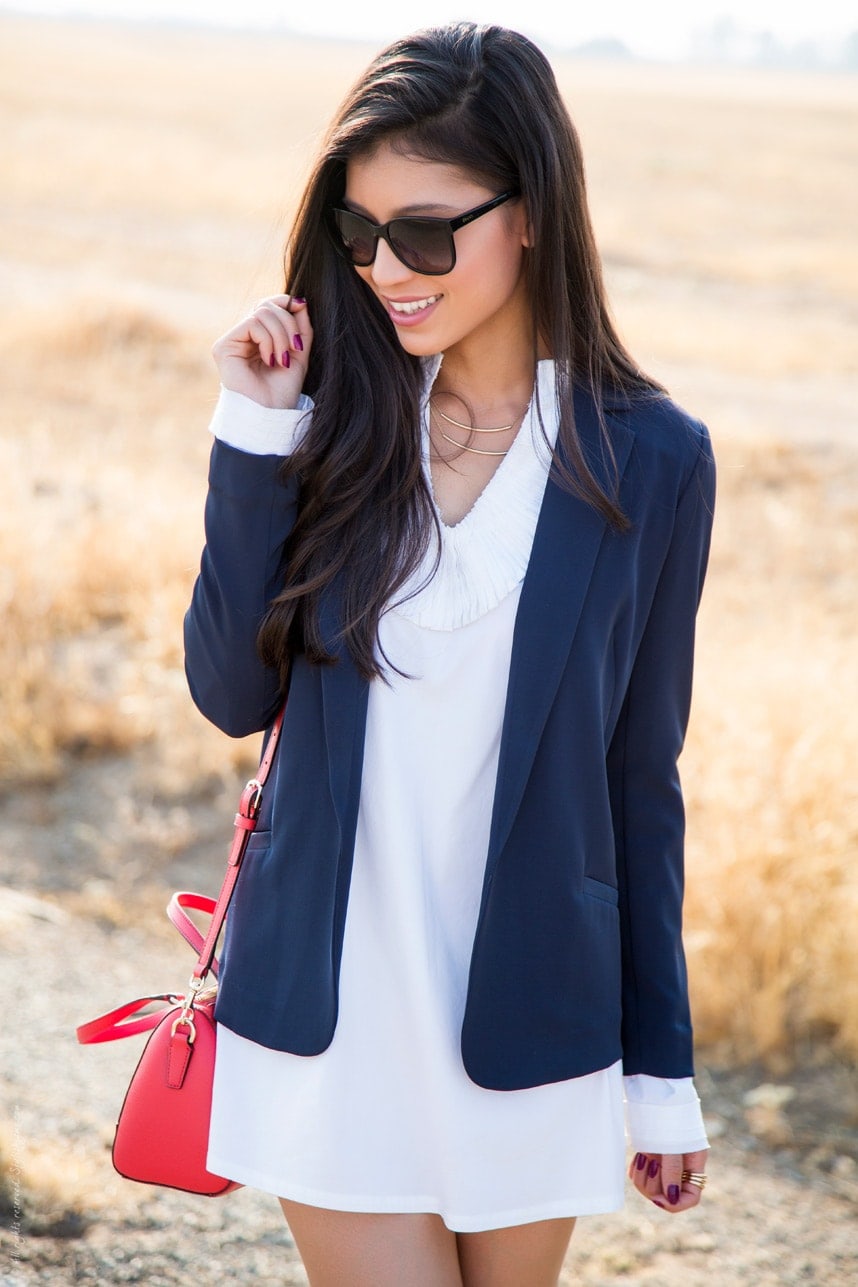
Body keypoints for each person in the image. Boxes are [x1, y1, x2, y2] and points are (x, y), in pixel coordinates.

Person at [184, 21, 714, 1287]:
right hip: (332, 1015)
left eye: (425, 233)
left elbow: (642, 783)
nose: (386, 270)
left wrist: (662, 1074)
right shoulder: (327, 431)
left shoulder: (653, 459)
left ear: (531, 212)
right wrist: (252, 440)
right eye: (360, 236)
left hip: (533, 1014)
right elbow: (227, 691)